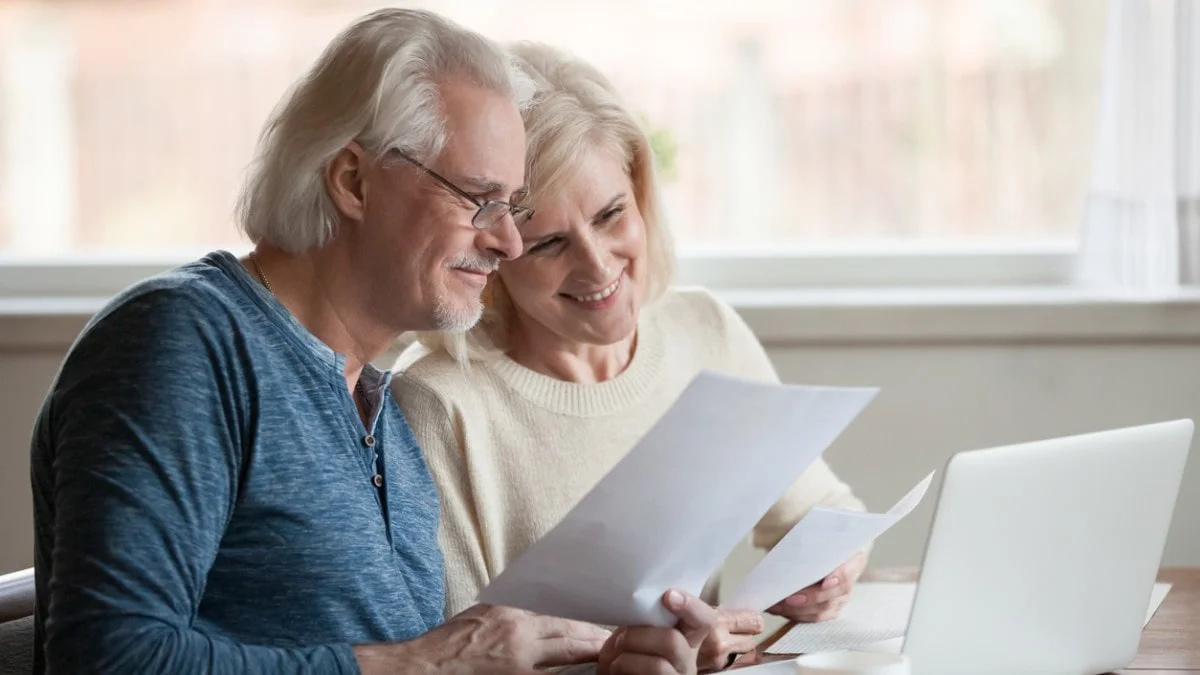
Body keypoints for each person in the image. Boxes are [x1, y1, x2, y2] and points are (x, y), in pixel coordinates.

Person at [29, 10, 714, 674]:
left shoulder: (384, 412)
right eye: (480, 198)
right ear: (354, 180)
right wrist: (418, 661)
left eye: (511, 207)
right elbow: (110, 657)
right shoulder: (183, 345)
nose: (506, 242)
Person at [391, 42, 871, 673]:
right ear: (496, 255)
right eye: (549, 244)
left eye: (612, 213)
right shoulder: (438, 405)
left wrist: (830, 567)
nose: (597, 266)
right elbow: (452, 655)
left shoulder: (704, 331)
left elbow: (822, 510)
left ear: (641, 195)